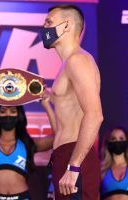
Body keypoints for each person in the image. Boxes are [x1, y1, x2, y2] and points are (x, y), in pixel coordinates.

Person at [41, 4, 104, 199]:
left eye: (49, 22)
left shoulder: (79, 60)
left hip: (76, 158)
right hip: (65, 156)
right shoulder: (68, 63)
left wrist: (74, 165)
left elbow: (95, 115)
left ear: (66, 25)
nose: (44, 28)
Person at [100, 126, 128, 200]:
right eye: (113, 139)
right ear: (107, 142)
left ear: (127, 142)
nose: (117, 141)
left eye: (121, 138)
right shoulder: (101, 170)